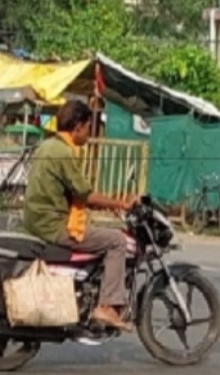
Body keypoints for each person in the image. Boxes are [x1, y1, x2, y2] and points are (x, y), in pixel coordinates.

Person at [21, 99, 137, 332]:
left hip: (38, 222)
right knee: (116, 241)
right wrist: (121, 203)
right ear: (77, 127)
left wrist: (109, 203)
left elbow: (76, 194)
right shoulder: (64, 153)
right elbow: (85, 194)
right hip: (54, 226)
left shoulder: (48, 146)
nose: (88, 134)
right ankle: (106, 306)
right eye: (87, 128)